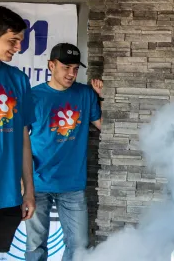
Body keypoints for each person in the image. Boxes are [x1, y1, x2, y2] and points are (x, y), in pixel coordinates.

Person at [25, 43, 103, 261]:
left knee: (79, 246)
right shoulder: (33, 96)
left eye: (76, 69)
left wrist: (105, 96)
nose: (71, 73)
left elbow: (103, 125)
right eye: (66, 67)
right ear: (51, 65)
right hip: (37, 182)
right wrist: (23, 182)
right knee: (35, 244)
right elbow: (18, 140)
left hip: (72, 185)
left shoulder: (85, 94)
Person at [0, 6, 36, 261]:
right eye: (12, 41)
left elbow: (24, 139)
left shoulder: (18, 80)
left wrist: (28, 190)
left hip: (5, 197)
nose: (18, 48)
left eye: (20, 42)